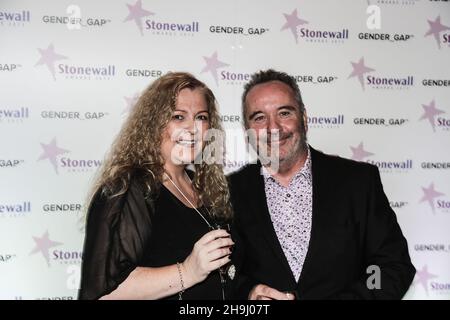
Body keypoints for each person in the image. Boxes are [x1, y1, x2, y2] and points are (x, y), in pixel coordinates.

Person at [229, 69, 416, 300]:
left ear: (304, 119)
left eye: (284, 113)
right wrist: (249, 292)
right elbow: (225, 274)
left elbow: (388, 267)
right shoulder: (229, 192)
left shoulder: (357, 182)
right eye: (259, 118)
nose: (273, 128)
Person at [78, 72, 235, 300]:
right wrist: (188, 271)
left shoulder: (204, 187)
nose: (193, 129)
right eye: (178, 117)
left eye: (201, 117)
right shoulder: (126, 191)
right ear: (153, 123)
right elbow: (103, 294)